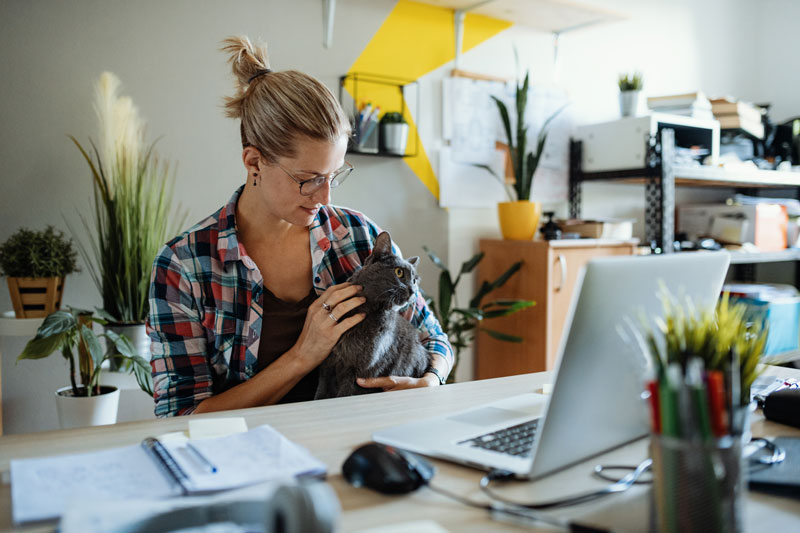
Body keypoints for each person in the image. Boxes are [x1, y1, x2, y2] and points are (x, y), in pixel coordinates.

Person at [147, 36, 453, 417]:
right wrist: (302, 355)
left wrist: (429, 380)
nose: (324, 198)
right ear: (254, 162)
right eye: (307, 179)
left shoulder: (357, 236)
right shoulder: (185, 267)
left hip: (355, 444)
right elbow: (181, 418)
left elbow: (435, 339)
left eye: (334, 175)